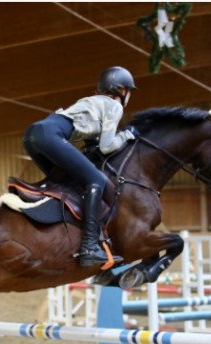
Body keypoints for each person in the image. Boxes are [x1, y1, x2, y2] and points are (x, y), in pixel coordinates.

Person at [23, 66, 138, 267]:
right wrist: (126, 135)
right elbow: (107, 146)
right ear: (121, 89)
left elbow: (93, 146)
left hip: (32, 134)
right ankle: (89, 246)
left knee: (62, 181)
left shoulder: (91, 102)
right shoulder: (114, 106)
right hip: (51, 135)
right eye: (129, 91)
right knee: (95, 180)